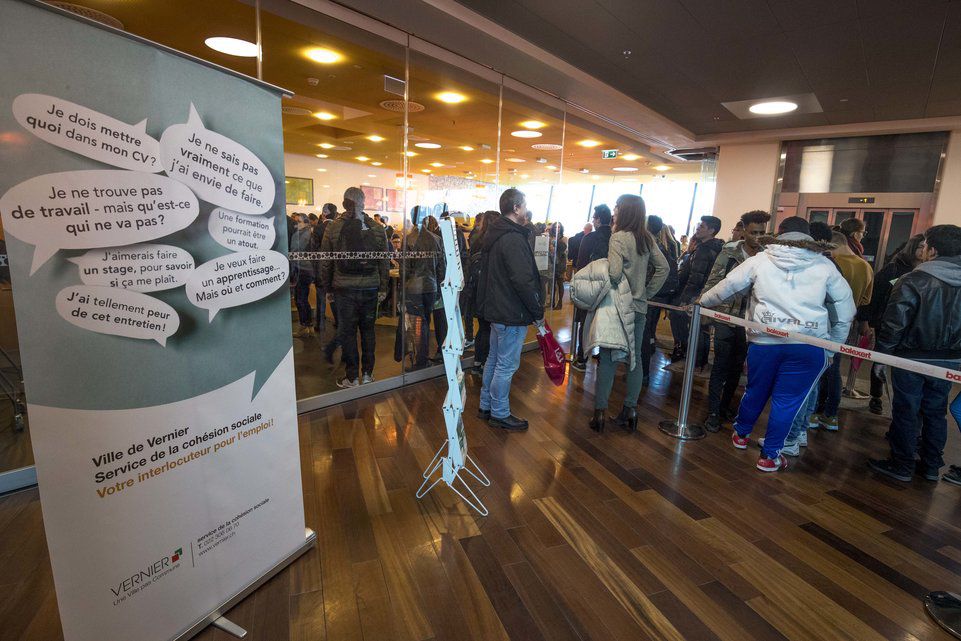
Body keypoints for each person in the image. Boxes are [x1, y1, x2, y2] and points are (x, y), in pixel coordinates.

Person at [701, 216, 855, 472]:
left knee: (756, 390)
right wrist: (832, 347)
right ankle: (770, 455)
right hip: (808, 345)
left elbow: (727, 286)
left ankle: (741, 433)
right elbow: (845, 310)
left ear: (779, 233)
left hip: (764, 340)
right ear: (810, 237)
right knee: (788, 401)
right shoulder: (824, 265)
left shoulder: (761, 259)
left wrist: (701, 304)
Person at [869, 224, 961, 483]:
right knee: (935, 411)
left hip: (911, 357)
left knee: (906, 410)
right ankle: (931, 466)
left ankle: (902, 464)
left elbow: (894, 323)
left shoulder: (915, 279)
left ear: (931, 250)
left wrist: (881, 357)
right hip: (951, 360)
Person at [573, 194, 668, 432]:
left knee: (608, 357)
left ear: (624, 211)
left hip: (618, 307)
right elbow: (663, 268)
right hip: (640, 307)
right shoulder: (646, 238)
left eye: (617, 207)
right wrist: (647, 291)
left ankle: (600, 413)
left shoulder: (618, 238)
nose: (613, 210)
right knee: (634, 359)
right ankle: (630, 410)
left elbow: (614, 274)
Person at [475, 189, 544, 430]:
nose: (526, 210)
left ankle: (486, 405)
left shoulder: (496, 234)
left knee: (493, 360)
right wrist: (537, 311)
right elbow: (523, 280)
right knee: (505, 365)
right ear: (516, 208)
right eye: (524, 206)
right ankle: (500, 412)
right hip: (511, 311)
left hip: (497, 310)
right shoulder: (513, 238)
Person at [700, 210, 770, 432]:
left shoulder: (767, 256)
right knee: (720, 365)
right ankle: (713, 412)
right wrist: (703, 306)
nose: (757, 237)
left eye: (761, 232)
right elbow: (714, 279)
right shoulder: (729, 252)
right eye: (753, 232)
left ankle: (724, 407)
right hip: (725, 316)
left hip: (750, 320)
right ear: (744, 231)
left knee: (736, 368)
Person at [319, 187, 390, 388]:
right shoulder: (377, 228)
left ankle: (352, 377)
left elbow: (326, 261)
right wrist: (383, 287)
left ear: (344, 202)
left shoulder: (333, 228)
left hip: (344, 288)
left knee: (348, 332)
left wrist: (328, 289)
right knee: (368, 331)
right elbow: (383, 261)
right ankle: (368, 374)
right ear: (363, 202)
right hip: (370, 287)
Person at [811, 230, 874, 430]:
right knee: (834, 368)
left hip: (823, 321)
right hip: (847, 322)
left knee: (820, 369)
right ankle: (830, 415)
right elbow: (866, 300)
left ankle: (814, 412)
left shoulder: (829, 264)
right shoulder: (865, 266)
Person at [865, 234, 925, 414]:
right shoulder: (894, 269)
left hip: (914, 326)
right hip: (888, 321)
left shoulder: (927, 272)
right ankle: (876, 395)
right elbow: (876, 294)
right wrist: (867, 319)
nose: (924, 251)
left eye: (926, 246)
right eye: (920, 246)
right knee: (880, 358)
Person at [671, 215, 724, 365]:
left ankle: (691, 356)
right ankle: (699, 360)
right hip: (706, 294)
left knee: (688, 322)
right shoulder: (713, 248)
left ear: (712, 230)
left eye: (702, 227)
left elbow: (696, 277)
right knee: (702, 327)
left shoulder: (705, 250)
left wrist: (685, 298)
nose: (698, 229)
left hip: (696, 294)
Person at [402, 206, 446, 369]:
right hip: (432, 287)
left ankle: (421, 360)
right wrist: (439, 288)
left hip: (414, 289)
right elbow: (441, 267)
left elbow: (405, 269)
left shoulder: (408, 240)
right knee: (426, 321)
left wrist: (403, 289)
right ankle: (423, 357)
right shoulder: (436, 239)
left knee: (419, 325)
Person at [571, 205, 613, 371]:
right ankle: (602, 357)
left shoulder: (589, 238)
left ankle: (582, 358)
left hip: (590, 287)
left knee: (585, 323)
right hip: (609, 287)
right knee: (604, 323)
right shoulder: (615, 238)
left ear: (597, 220)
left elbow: (581, 266)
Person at [640, 215, 679, 384]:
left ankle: (643, 373)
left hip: (650, 295)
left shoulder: (649, 244)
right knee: (649, 329)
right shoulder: (662, 244)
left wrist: (647, 293)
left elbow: (659, 270)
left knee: (644, 331)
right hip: (660, 295)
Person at [466, 211, 498, 368]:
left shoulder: (477, 240)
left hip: (477, 291)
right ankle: (485, 362)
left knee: (482, 328)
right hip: (489, 291)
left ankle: (478, 361)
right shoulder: (493, 242)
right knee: (488, 329)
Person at [290, 213, 320, 337]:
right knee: (301, 298)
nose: (297, 224)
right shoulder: (305, 233)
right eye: (296, 222)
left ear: (307, 223)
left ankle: (305, 325)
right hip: (303, 268)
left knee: (300, 298)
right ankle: (307, 326)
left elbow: (296, 250)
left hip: (303, 269)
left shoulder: (304, 234)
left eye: (299, 221)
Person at [549, 222, 567, 309]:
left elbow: (565, 251)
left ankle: (560, 303)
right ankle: (552, 302)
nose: (557, 228)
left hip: (560, 264)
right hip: (552, 263)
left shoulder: (564, 238)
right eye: (556, 227)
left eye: (559, 227)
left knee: (560, 284)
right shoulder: (551, 237)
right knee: (552, 285)